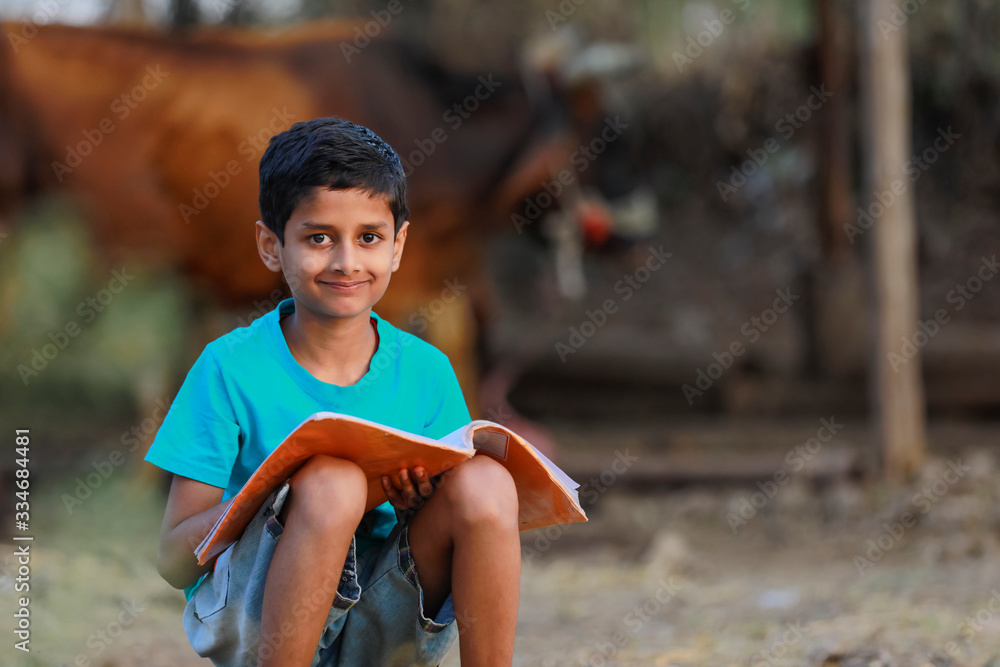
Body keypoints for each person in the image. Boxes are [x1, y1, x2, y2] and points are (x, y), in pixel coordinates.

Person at [145, 117, 521, 667]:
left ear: (397, 246)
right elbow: (176, 562)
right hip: (255, 622)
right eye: (319, 238)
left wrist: (409, 502)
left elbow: (443, 527)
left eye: (369, 237)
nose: (346, 262)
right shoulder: (229, 367)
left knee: (486, 483)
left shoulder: (427, 372)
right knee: (331, 482)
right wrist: (276, 493)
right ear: (271, 246)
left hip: (384, 627)